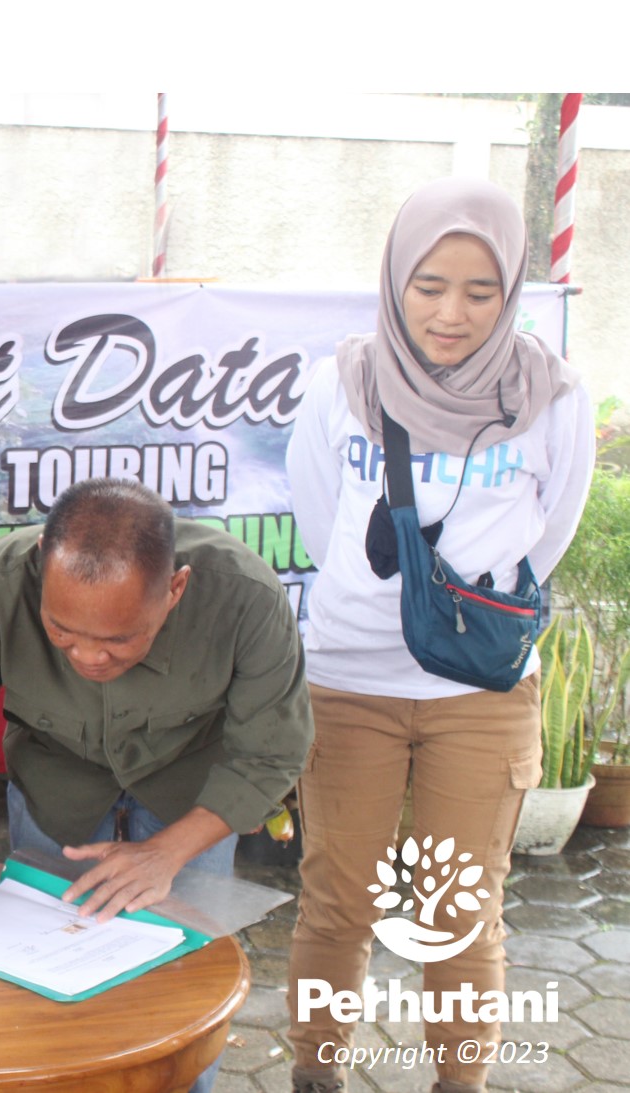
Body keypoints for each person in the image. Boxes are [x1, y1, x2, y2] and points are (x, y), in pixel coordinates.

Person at [283, 177, 595, 1093]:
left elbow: (551, 532)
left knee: (463, 909)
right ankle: (315, 1074)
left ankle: (461, 1084)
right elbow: (318, 514)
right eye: (428, 285)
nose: (450, 313)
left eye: (479, 290)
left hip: (480, 691)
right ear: (393, 279)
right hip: (348, 683)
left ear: (511, 295)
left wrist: (456, 611)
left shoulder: (551, 396)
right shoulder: (340, 384)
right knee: (337, 900)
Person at [0, 476, 314, 1093]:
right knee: (42, 973)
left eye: (120, 639)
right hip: (55, 786)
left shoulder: (245, 596)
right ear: (39, 570)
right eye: (62, 632)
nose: (88, 657)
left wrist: (169, 852)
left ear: (175, 590)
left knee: (184, 986)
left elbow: (270, 753)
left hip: (191, 794)